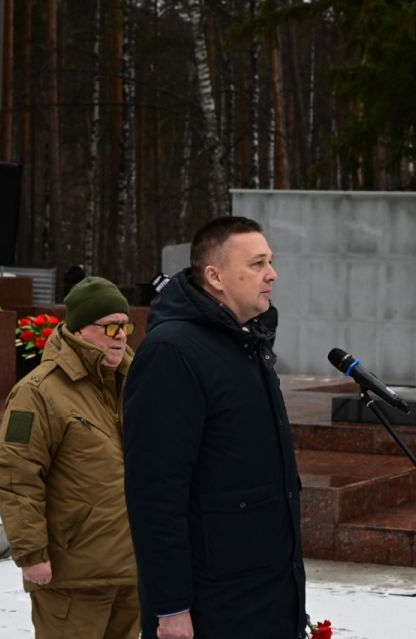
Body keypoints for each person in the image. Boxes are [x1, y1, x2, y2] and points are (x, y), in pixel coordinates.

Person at [123, 216, 306, 639]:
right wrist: (171, 606)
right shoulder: (173, 352)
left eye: (270, 262)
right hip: (214, 605)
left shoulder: (245, 343)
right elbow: (156, 491)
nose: (272, 274)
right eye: (257, 264)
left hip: (265, 595)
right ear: (215, 277)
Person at [0, 276, 140, 639]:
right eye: (110, 326)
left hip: (132, 569)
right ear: (79, 330)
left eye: (125, 326)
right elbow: (17, 477)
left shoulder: (136, 383)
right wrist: (32, 553)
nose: (120, 336)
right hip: (72, 574)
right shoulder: (38, 393)